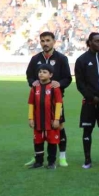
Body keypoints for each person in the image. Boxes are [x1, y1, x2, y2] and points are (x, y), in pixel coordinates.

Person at [25, 31, 72, 167]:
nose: (45, 43)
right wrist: (32, 82)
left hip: (55, 101)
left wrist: (60, 84)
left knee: (59, 126)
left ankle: (62, 156)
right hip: (39, 101)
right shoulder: (35, 59)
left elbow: (67, 78)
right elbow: (29, 76)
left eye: (47, 40)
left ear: (53, 41)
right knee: (38, 128)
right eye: (42, 41)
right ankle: (38, 157)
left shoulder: (61, 58)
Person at [75, 32, 99, 169]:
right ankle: (87, 160)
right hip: (89, 103)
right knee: (87, 130)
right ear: (89, 42)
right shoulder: (82, 60)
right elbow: (80, 84)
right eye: (97, 41)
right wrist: (92, 97)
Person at [27, 65, 63, 169]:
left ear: (50, 75)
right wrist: (31, 118)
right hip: (38, 121)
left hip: (51, 121)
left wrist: (57, 119)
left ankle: (51, 163)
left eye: (44, 72)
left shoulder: (54, 88)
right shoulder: (35, 87)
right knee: (38, 142)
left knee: (52, 143)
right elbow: (31, 104)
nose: (41, 74)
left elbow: (58, 104)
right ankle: (39, 162)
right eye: (40, 72)